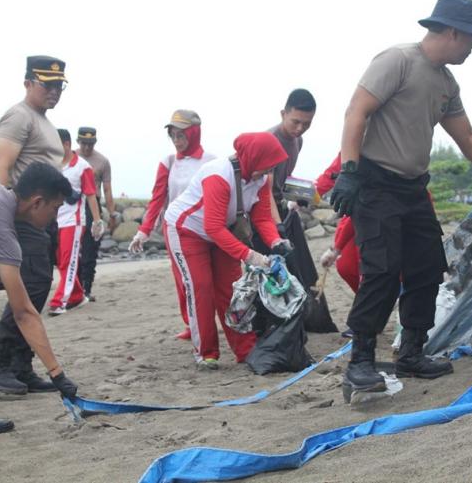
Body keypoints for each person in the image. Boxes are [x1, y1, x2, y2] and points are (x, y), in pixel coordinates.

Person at [329, 0, 472, 393]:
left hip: (414, 188)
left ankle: (412, 353)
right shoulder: (396, 61)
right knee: (381, 269)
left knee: (426, 267)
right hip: (376, 183)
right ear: (453, 32)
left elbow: (465, 135)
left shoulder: (447, 83)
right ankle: (360, 360)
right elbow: (356, 111)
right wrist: (348, 171)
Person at [163, 132, 292, 370]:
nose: (266, 173)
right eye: (265, 167)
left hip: (222, 232)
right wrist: (251, 256)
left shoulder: (261, 179)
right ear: (253, 157)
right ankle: (206, 353)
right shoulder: (218, 174)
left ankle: (246, 350)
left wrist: (276, 241)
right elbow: (212, 226)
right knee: (200, 288)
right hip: (186, 230)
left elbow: (262, 217)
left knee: (234, 291)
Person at [0, 163, 79, 434]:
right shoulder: (2, 228)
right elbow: (24, 313)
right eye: (55, 208)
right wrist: (57, 374)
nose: (55, 217)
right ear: (37, 202)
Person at [0, 56, 68, 395]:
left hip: (41, 216)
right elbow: (1, 170)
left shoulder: (42, 120)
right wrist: (1, 223)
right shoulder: (18, 117)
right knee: (29, 285)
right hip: (21, 215)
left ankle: (20, 365)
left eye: (59, 85)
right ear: (28, 82)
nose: (54, 91)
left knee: (39, 284)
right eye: (47, 84)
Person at [129, 110, 216, 340]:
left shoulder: (212, 162)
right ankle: (192, 324)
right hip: (177, 230)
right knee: (185, 281)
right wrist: (143, 231)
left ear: (194, 133)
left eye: (182, 135)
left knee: (214, 281)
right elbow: (157, 198)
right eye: (173, 136)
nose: (177, 141)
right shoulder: (168, 163)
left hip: (208, 227)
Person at [48, 130, 105, 315]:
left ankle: (60, 301)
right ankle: (77, 296)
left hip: (74, 221)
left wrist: (97, 221)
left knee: (69, 260)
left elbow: (91, 195)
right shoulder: (53, 165)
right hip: (55, 221)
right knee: (62, 262)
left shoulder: (82, 167)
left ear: (66, 144)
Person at [76, 127, 117, 301]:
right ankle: (74, 287)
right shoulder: (71, 157)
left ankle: (87, 288)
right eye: (84, 143)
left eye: (90, 144)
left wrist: (112, 214)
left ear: (95, 143)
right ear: (78, 142)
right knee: (71, 248)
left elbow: (107, 190)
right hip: (72, 205)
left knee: (90, 249)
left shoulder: (102, 161)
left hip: (92, 208)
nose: (87, 148)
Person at [268, 89, 317, 223]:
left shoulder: (298, 140)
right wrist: (278, 225)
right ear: (283, 114)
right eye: (295, 122)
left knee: (312, 192)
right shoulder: (269, 141)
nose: (300, 128)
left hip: (279, 204)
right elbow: (265, 191)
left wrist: (303, 192)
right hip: (261, 209)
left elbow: (283, 179)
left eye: (307, 124)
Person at [316, 153, 360, 293]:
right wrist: (306, 195)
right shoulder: (353, 147)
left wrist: (336, 249)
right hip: (355, 213)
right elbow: (332, 173)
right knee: (346, 266)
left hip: (375, 212)